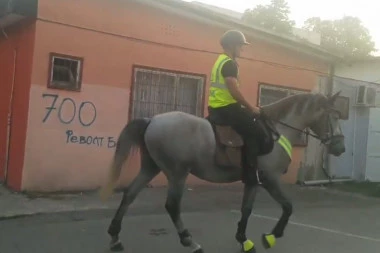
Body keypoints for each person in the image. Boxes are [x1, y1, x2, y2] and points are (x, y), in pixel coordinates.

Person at [208, 30, 267, 185]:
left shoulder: (220, 60)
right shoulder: (229, 64)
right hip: (227, 108)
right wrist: (251, 107)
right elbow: (234, 91)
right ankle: (250, 174)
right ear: (232, 45)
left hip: (215, 107)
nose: (242, 48)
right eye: (241, 45)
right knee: (257, 132)